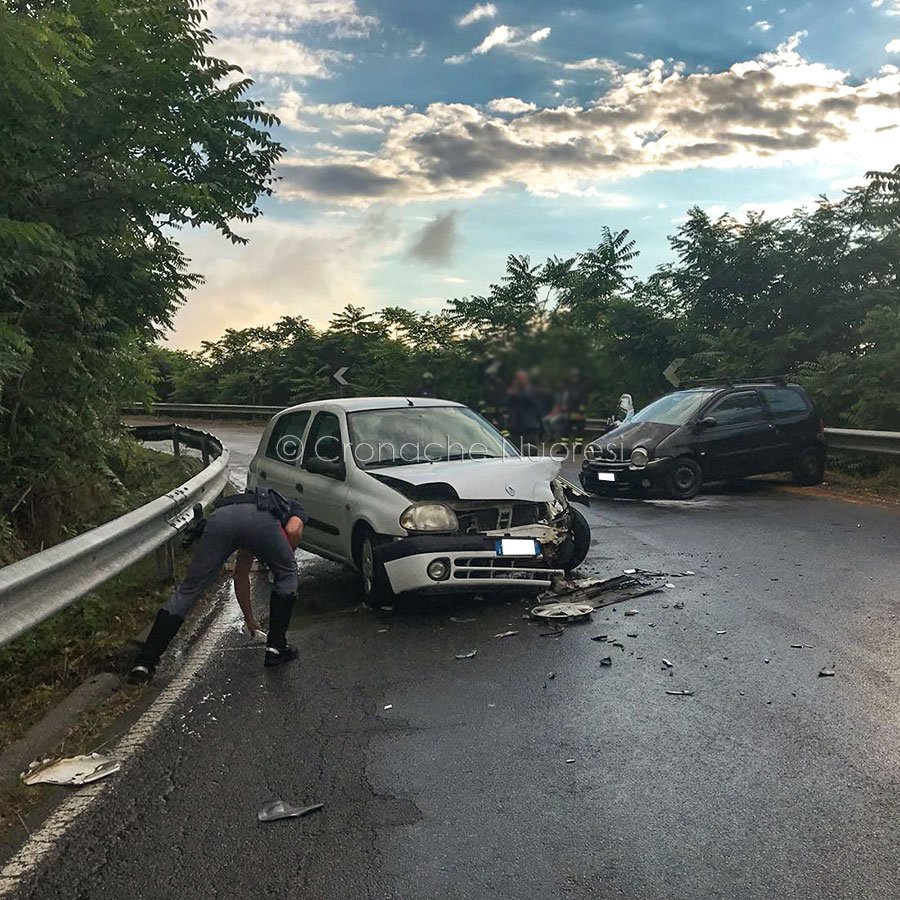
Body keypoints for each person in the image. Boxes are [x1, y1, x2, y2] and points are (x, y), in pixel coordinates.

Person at [128, 487, 308, 684]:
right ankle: (276, 648)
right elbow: (293, 530)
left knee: (189, 589)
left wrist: (250, 619)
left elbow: (240, 575)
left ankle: (144, 663)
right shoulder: (295, 509)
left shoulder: (254, 506)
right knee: (288, 573)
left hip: (221, 517)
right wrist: (283, 560)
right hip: (260, 522)